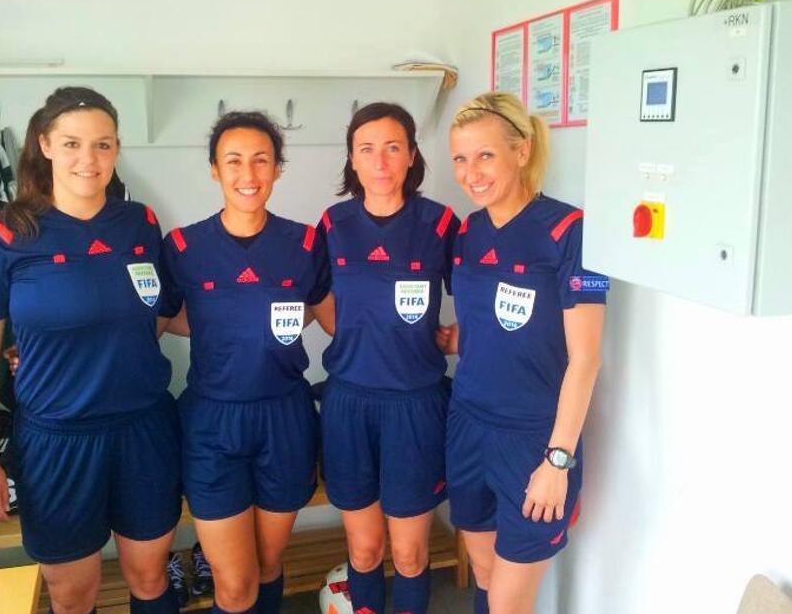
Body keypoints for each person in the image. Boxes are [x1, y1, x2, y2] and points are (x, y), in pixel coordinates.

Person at [0, 87, 182, 614]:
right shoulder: (4, 234)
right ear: (46, 145)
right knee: (73, 594)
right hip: (58, 440)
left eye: (103, 145)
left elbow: (158, 312)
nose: (89, 159)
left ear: (117, 149)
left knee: (150, 577)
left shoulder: (141, 223)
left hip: (144, 430)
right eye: (73, 144)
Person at [438, 91, 607, 614]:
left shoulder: (572, 231)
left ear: (522, 150)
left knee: (510, 603)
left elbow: (586, 359)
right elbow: (490, 319)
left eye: (485, 155)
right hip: (467, 425)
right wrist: (459, 338)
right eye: (460, 159)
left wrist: (558, 461)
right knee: (486, 578)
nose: (471, 173)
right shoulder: (467, 232)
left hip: (534, 440)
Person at [159, 111, 330, 614]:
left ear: (278, 167)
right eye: (233, 161)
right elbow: (158, 321)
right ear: (215, 169)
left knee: (268, 566)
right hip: (213, 422)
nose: (248, 174)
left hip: (284, 417)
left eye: (261, 160)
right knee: (235, 586)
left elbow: (335, 317)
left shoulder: (305, 243)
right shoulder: (183, 247)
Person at [316, 102, 460, 614]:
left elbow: (479, 294)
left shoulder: (439, 222)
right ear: (352, 159)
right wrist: (351, 330)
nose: (380, 161)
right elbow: (313, 295)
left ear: (412, 156)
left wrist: (462, 336)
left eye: (392, 148)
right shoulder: (333, 224)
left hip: (414, 405)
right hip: (349, 403)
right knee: (365, 550)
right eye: (367, 149)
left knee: (410, 553)